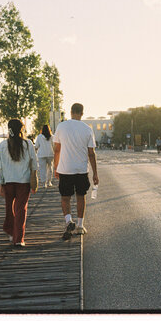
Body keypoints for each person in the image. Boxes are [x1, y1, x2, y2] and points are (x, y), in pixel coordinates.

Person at [53, 103, 99, 240]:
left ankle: (68, 221)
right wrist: (95, 173)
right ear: (82, 113)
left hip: (65, 169)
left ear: (71, 112)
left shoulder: (61, 126)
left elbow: (56, 149)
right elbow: (92, 153)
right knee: (81, 196)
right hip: (81, 170)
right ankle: (80, 226)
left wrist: (56, 167)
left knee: (65, 197)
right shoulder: (87, 129)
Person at [0, 119, 38, 247]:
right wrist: (34, 179)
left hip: (8, 182)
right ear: (21, 129)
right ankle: (19, 239)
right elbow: (34, 164)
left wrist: (0, 183)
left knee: (9, 209)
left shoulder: (2, 145)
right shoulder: (28, 144)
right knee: (20, 210)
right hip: (23, 181)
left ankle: (11, 233)